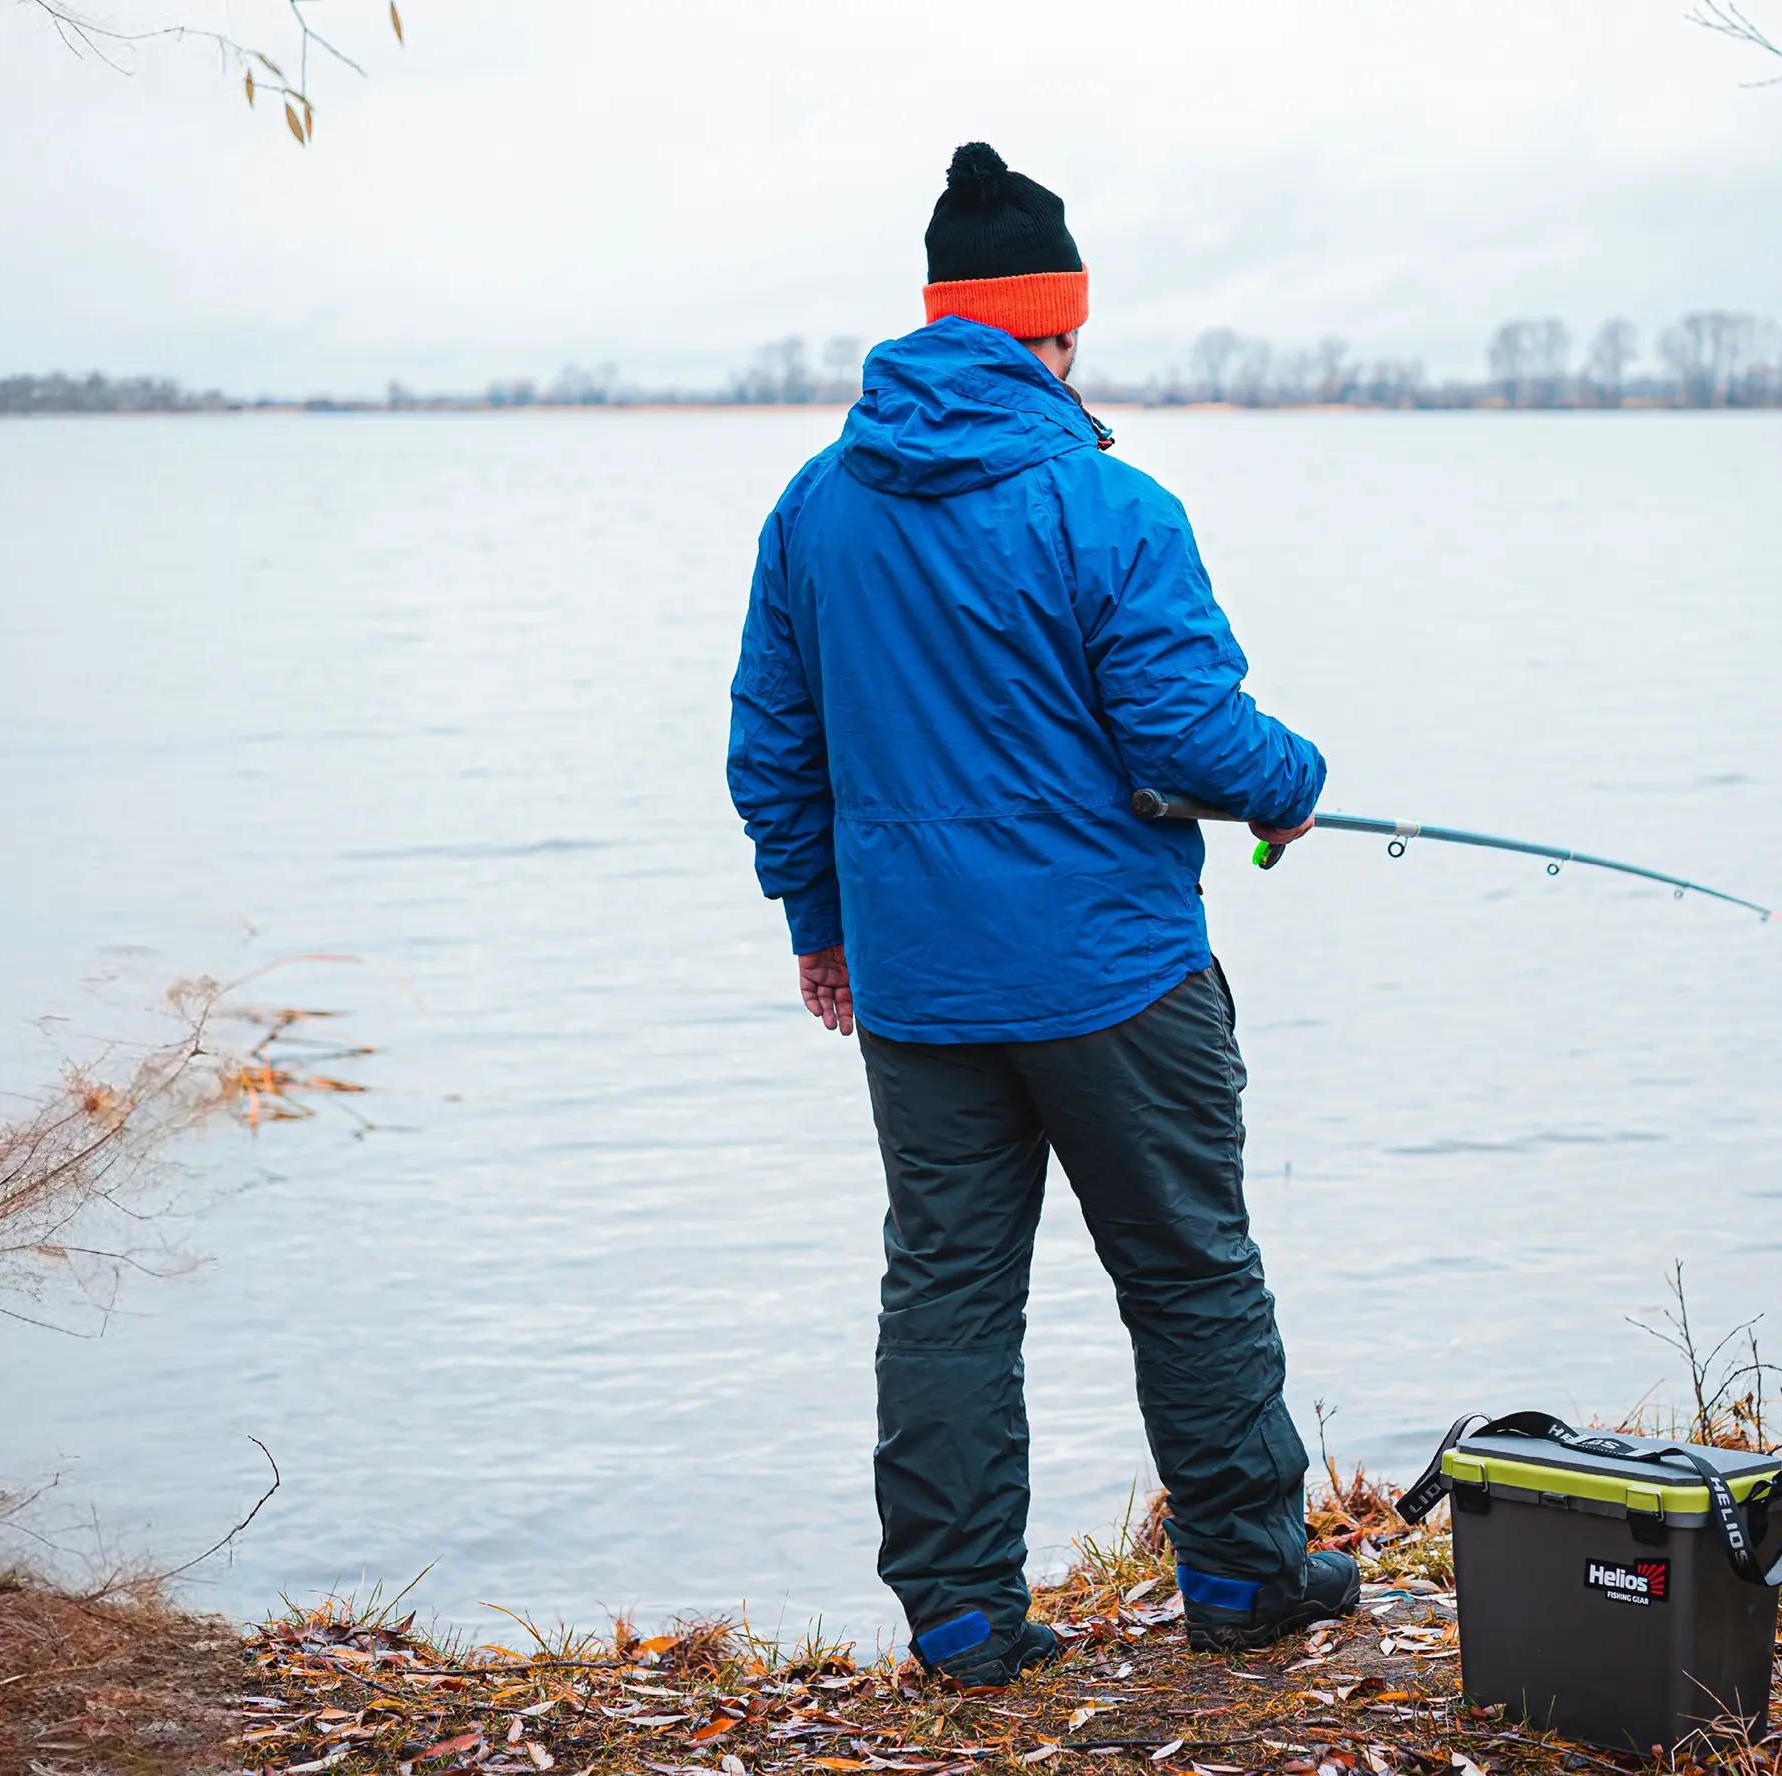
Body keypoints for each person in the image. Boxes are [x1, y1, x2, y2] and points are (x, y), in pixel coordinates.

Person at [727, 142, 1354, 1687]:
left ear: (938, 320)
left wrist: (821, 923)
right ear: (1052, 330)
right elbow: (1189, 741)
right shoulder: (1106, 503)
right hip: (1116, 983)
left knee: (947, 1291)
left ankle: (957, 1618)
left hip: (921, 990)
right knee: (1191, 1271)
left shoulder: (817, 506)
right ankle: (1242, 1581)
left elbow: (771, 749)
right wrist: (1293, 780)